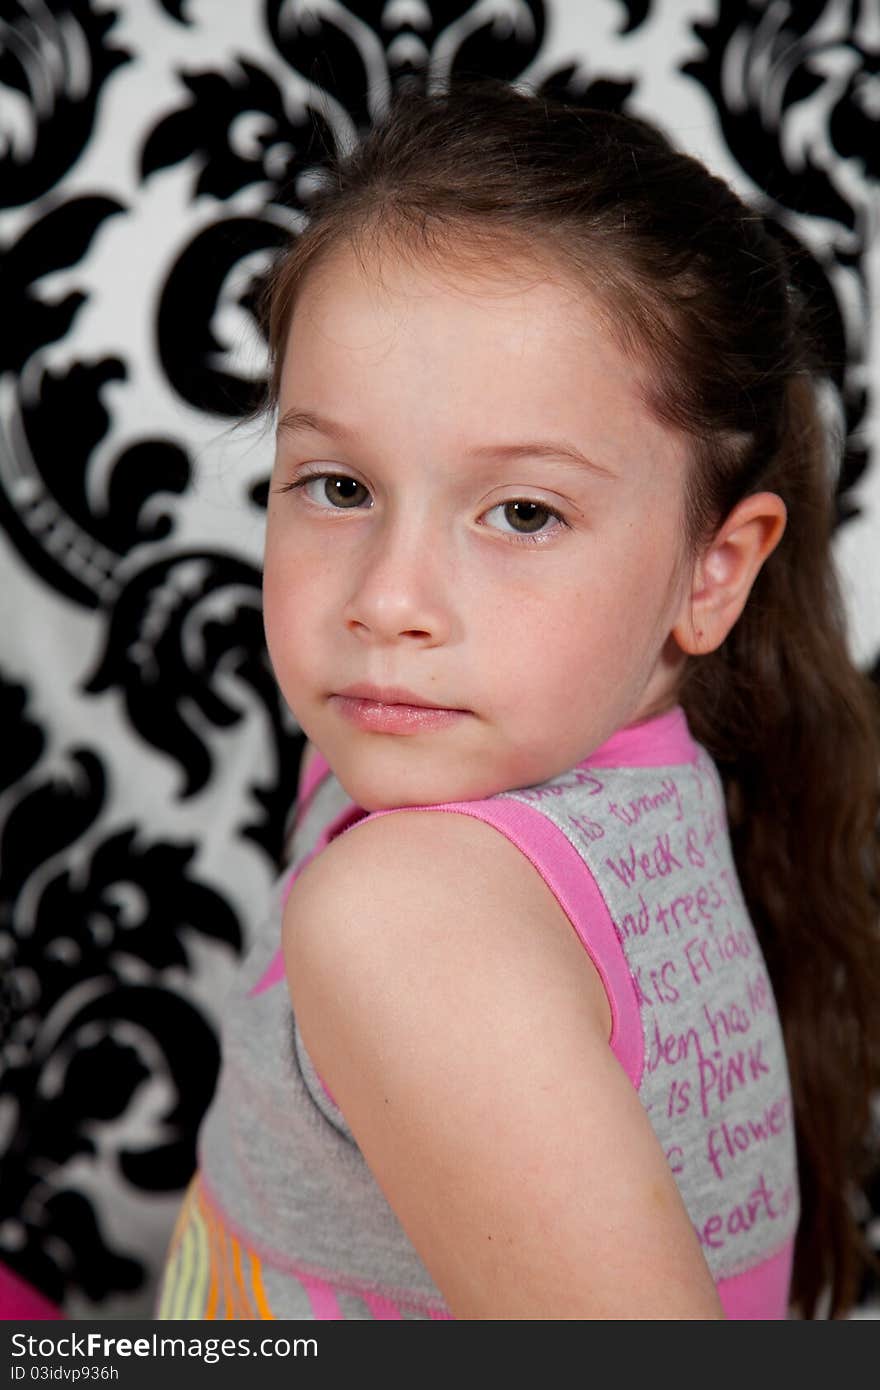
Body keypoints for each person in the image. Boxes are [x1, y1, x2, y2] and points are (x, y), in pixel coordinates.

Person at [156, 81, 880, 1320]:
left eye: (524, 513)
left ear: (712, 572)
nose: (388, 599)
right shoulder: (553, 754)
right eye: (335, 486)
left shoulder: (409, 918)